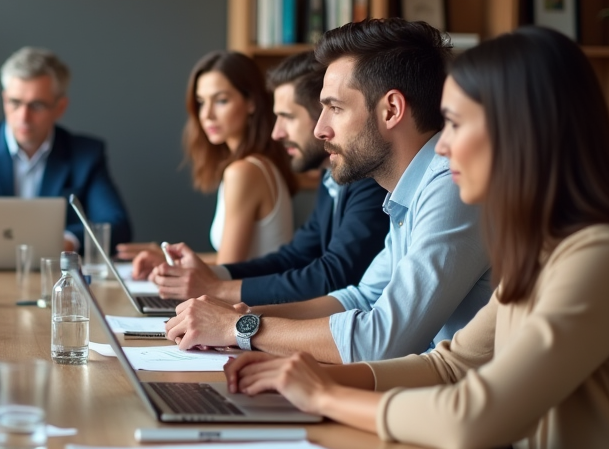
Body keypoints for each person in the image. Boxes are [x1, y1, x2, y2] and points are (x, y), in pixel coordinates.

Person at [225, 27, 609, 449]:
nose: (443, 146)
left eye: (455, 124)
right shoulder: (541, 250)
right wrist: (296, 376)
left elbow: (473, 414)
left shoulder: (597, 257)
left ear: (520, 131)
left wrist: (324, 397)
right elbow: (452, 365)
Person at [165, 19, 492, 363]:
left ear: (391, 110)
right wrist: (236, 318)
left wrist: (240, 327)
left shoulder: (453, 185)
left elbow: (382, 340)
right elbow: (360, 298)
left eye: (335, 108)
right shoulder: (408, 192)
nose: (320, 129)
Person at [143, 51, 389, 305]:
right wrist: (212, 276)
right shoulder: (331, 180)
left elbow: (332, 276)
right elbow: (293, 257)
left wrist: (216, 288)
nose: (277, 133)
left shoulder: (368, 181)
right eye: (201, 102)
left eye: (288, 117)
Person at [0, 46, 132, 253]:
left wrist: (66, 241)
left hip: (52, 279)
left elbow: (117, 226)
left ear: (60, 107)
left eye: (37, 105)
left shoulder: (85, 154)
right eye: (15, 102)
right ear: (4, 99)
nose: (23, 117)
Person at [118, 51, 296, 270]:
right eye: (201, 102)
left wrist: (170, 264)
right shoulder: (260, 164)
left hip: (249, 302)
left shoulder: (244, 172)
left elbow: (226, 270)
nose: (207, 114)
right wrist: (167, 257)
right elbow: (233, 260)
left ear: (251, 102)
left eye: (221, 100)